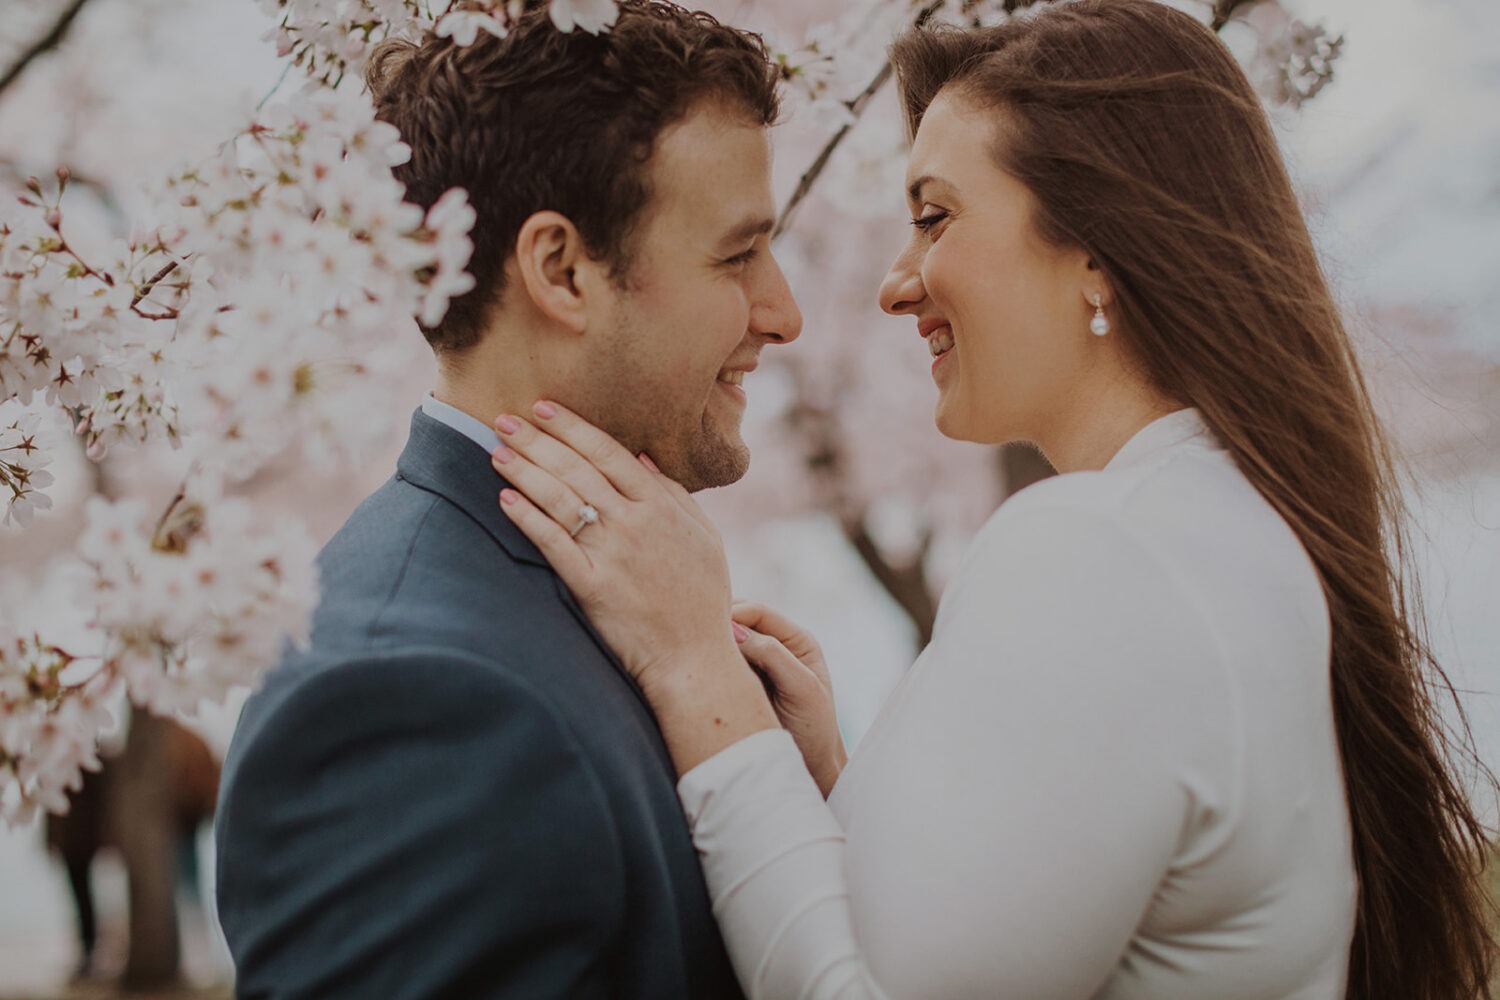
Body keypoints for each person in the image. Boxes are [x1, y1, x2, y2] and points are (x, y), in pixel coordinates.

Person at [486, 1, 1497, 998]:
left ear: (1097, 251)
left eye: (934, 217)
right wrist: (836, 780)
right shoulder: (1223, 522)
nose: (894, 282)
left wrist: (695, 671)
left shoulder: (1106, 548)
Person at [213, 2, 800, 997]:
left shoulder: (618, 592)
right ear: (563, 270)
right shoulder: (411, 701)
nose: (785, 313)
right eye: (739, 256)